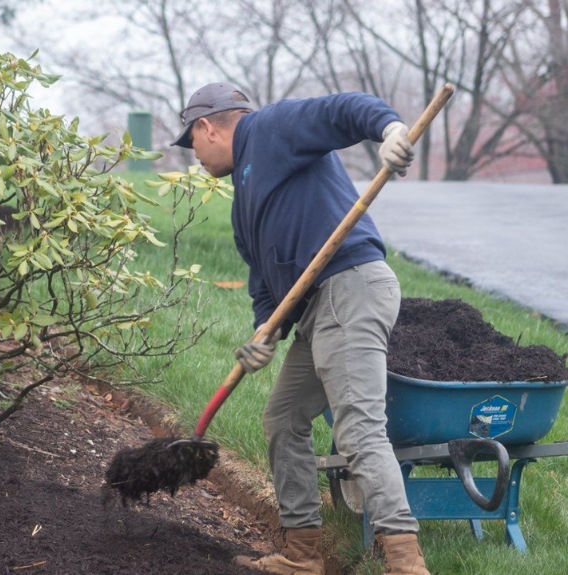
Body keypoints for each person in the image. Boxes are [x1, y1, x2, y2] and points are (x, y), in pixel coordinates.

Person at [171, 83, 429, 575]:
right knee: (283, 418)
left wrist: (389, 128)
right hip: (317, 309)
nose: (195, 156)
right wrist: (263, 331)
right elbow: (263, 279)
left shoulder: (268, 128)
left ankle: (405, 563)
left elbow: (339, 110)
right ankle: (303, 554)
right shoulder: (245, 197)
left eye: (192, 143)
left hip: (349, 287)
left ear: (207, 126)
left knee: (358, 429)